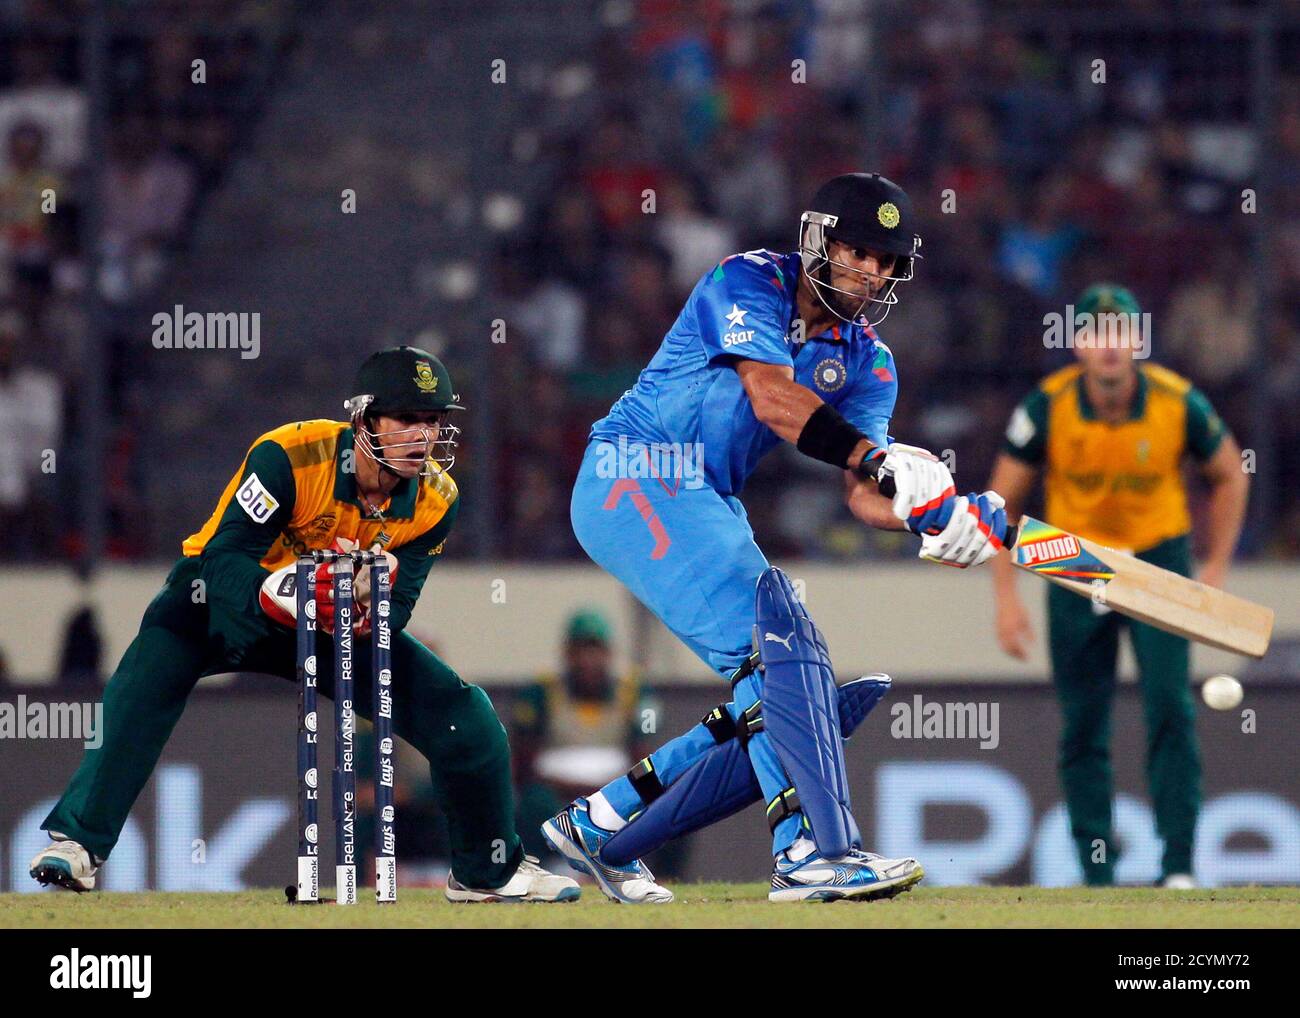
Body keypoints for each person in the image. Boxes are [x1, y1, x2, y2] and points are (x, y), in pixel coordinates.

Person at [545, 173, 1010, 902]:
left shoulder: (870, 362)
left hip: (706, 500)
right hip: (633, 471)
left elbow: (864, 493)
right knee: (782, 656)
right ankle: (805, 857)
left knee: (782, 677)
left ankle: (601, 825)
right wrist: (878, 460)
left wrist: (940, 516)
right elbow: (774, 396)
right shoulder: (746, 282)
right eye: (861, 252)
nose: (874, 274)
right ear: (819, 241)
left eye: (889, 263)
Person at [30, 346, 577, 903]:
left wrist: (369, 599)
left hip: (327, 621)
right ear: (364, 420)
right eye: (408, 419)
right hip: (224, 600)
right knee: (145, 678)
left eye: (434, 421)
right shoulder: (291, 455)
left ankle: (487, 873)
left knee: (466, 715)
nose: (425, 436)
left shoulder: (437, 499)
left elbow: (397, 614)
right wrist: (279, 588)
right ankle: (77, 843)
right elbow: (221, 560)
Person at [989, 284, 1248, 888]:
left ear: (1136, 341)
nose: (1108, 347)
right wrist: (1005, 599)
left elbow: (1230, 475)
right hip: (1075, 561)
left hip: (1159, 559)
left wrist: (1211, 570)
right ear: (1077, 343)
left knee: (1170, 709)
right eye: (1095, 333)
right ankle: (1096, 874)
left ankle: (1179, 868)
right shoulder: (1046, 406)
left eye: (1119, 333)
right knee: (1083, 723)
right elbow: (1000, 501)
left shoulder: (1177, 402)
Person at [511, 609, 656, 860]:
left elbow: (642, 757)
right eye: (580, 650)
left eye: (596, 650)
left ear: (609, 653)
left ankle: (651, 872)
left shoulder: (633, 691)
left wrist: (604, 790)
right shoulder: (542, 691)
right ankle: (543, 866)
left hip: (613, 787)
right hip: (554, 789)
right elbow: (523, 764)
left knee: (659, 803)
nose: (588, 660)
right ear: (567, 653)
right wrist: (571, 788)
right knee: (533, 804)